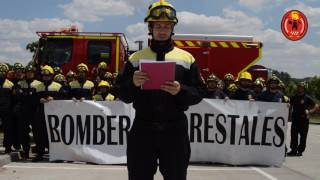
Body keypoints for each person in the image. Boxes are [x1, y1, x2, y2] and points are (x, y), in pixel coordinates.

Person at [117, 1, 204, 179]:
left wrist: (181, 91)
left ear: (173, 28)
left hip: (175, 130)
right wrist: (132, 83)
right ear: (151, 28)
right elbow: (122, 94)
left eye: (167, 26)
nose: (162, 30)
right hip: (143, 129)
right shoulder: (135, 58)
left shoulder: (187, 58)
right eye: (158, 26)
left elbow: (199, 93)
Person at [32, 65, 62, 162]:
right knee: (40, 134)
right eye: (44, 75)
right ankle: (40, 154)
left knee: (54, 134)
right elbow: (31, 100)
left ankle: (55, 155)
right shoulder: (37, 87)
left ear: (52, 76)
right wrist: (38, 100)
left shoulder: (58, 86)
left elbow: (64, 99)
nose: (45, 77)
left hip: (54, 115)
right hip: (40, 114)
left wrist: (55, 99)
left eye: (47, 75)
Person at [16, 64, 41, 159]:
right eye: (28, 72)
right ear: (25, 73)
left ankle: (39, 152)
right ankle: (26, 151)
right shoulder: (20, 83)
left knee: (37, 132)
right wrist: (30, 94)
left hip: (35, 111)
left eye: (31, 72)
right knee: (24, 132)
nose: (29, 74)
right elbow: (18, 95)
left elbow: (38, 97)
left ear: (33, 73)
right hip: (23, 111)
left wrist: (26, 94)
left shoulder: (39, 84)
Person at [287, 82, 317, 156]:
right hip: (295, 119)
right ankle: (293, 150)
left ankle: (300, 151)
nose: (300, 88)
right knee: (294, 136)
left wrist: (310, 111)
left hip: (304, 120)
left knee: (303, 137)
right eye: (299, 87)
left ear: (304, 88)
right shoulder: (294, 97)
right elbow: (289, 104)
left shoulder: (307, 97)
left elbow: (316, 105)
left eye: (302, 87)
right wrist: (288, 106)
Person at [0, 63, 14, 153]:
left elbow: (14, 99)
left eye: (3, 72)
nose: (1, 74)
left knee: (7, 129)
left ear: (6, 73)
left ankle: (8, 147)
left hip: (7, 110)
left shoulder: (10, 84)